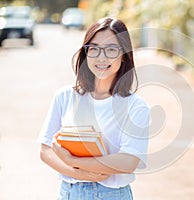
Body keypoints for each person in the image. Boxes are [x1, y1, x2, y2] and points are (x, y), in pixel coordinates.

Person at [38, 17, 149, 200]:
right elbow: (45, 149)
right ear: (85, 53)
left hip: (112, 195)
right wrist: (77, 173)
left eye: (111, 49)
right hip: (68, 193)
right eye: (94, 48)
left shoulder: (135, 106)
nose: (101, 57)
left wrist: (72, 161)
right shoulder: (65, 96)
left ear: (124, 56)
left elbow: (128, 161)